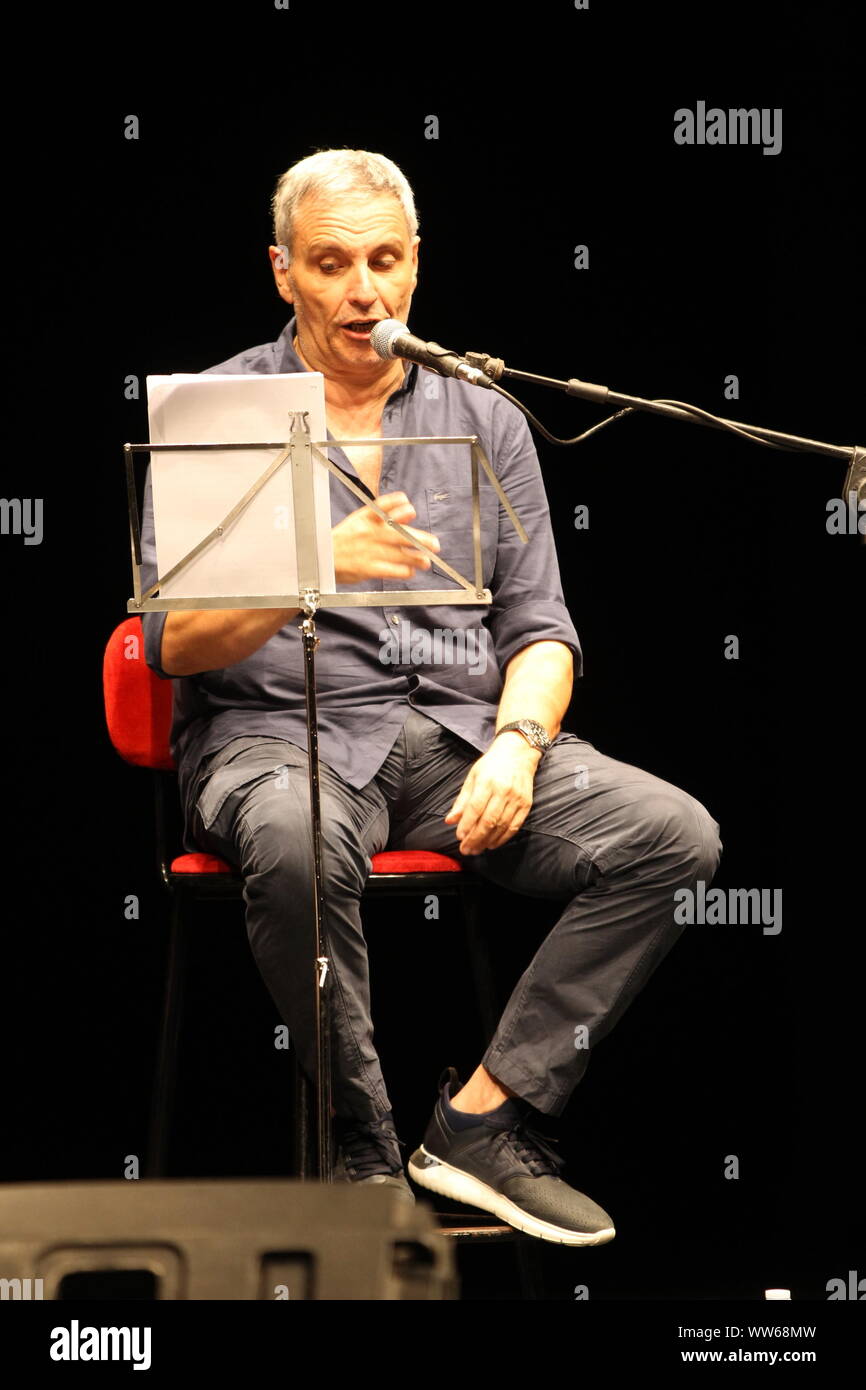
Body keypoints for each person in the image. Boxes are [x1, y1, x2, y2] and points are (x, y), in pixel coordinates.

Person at [139, 149, 722, 1246]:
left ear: (414, 269)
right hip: (278, 739)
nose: (362, 290)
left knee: (671, 837)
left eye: (383, 260)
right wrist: (308, 565)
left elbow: (541, 631)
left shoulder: (484, 416)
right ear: (282, 273)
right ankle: (362, 1157)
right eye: (330, 263)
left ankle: (479, 1130)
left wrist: (514, 742)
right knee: (297, 842)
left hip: (453, 738)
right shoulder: (222, 410)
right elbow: (174, 642)